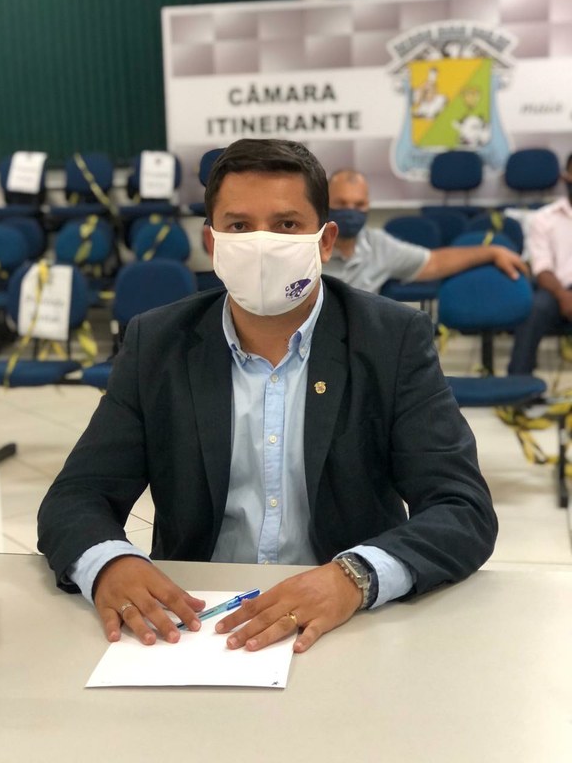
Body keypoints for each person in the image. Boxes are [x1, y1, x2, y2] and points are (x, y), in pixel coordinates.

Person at [38, 138, 497, 655]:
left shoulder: (392, 339)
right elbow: (77, 496)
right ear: (212, 243)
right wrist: (110, 564)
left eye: (286, 225)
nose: (262, 244)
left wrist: (355, 577)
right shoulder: (157, 343)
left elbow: (462, 508)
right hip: (196, 625)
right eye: (239, 226)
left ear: (325, 241)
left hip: (348, 622)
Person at [324, 169, 527, 292]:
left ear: (368, 205)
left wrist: (492, 252)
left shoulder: (379, 246)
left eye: (359, 205)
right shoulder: (309, 245)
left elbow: (435, 262)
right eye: (341, 203)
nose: (350, 211)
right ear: (324, 203)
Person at [508, 154, 572, 375]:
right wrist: (563, 296)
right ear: (565, 177)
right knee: (534, 309)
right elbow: (542, 268)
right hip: (556, 290)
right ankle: (518, 382)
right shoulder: (544, 218)